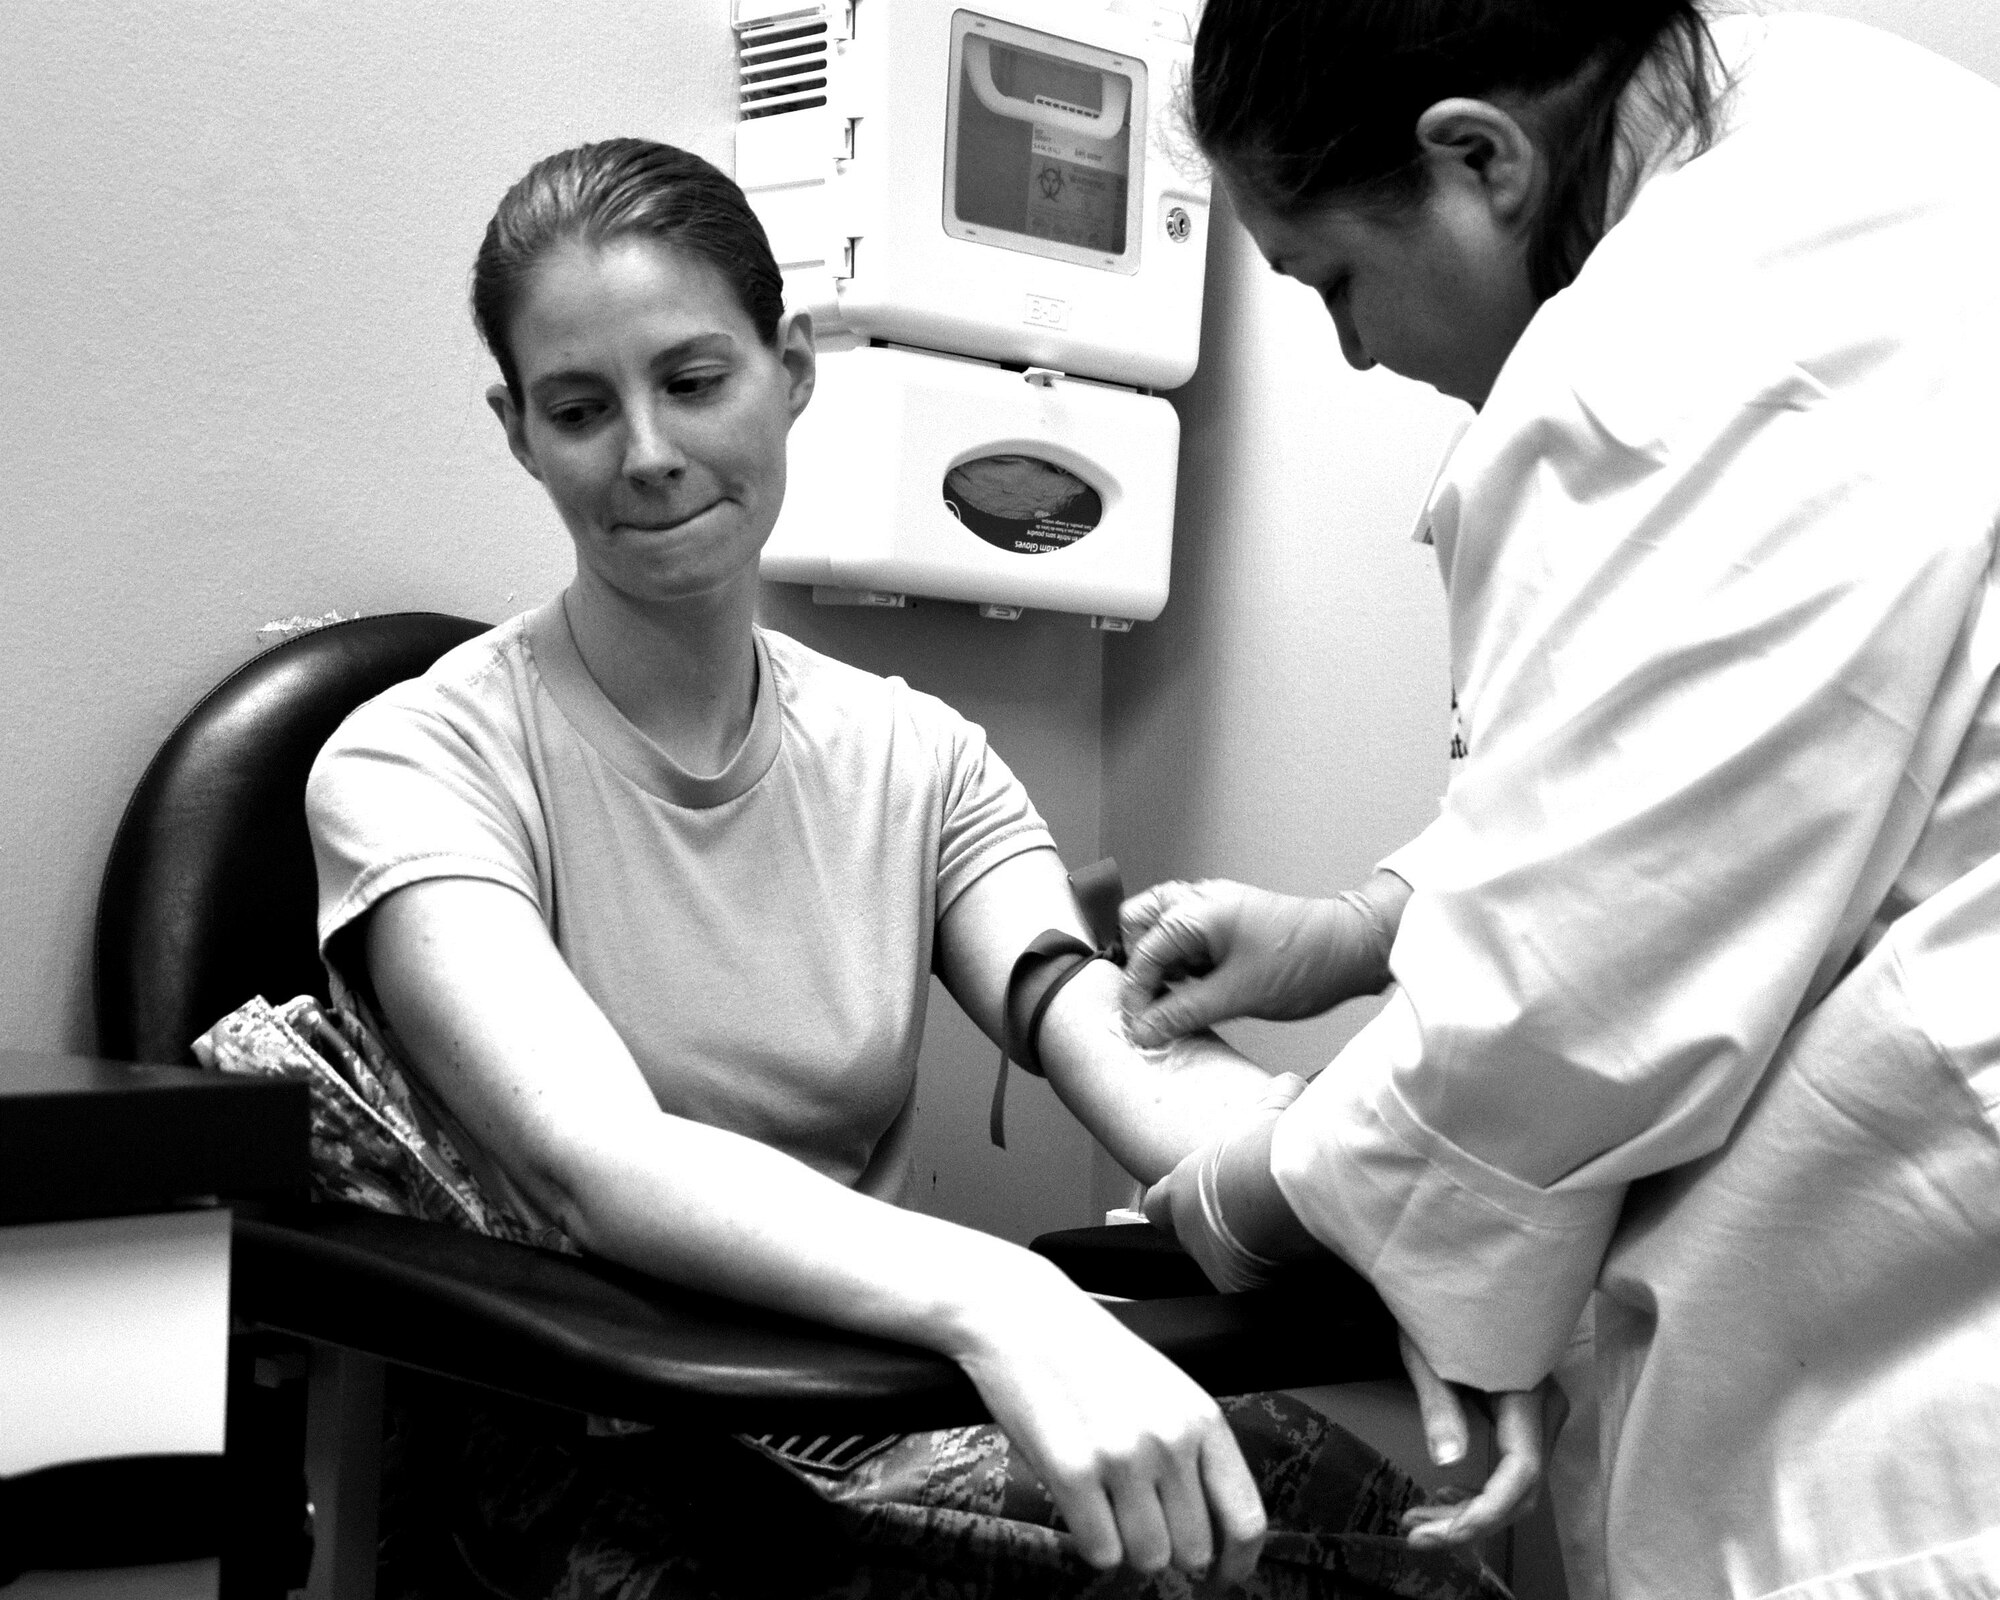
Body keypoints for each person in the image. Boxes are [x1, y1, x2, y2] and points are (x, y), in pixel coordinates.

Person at [303, 138, 1505, 1599]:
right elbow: (596, 1165)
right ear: (517, 430)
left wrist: (1388, 1199)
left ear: (790, 367)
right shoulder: (411, 765)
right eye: (578, 408)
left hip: (868, 1408)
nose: (648, 453)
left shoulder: (916, 757)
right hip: (609, 1451)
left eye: (694, 380)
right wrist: (998, 1297)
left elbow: (1100, 1032)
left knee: (1411, 1560)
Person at [1128, 4, 2000, 1598]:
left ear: (1479, 159)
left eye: (1332, 278)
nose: (1355, 349)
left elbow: (1580, 982)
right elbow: (1758, 741)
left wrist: (1239, 1198)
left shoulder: (1678, 345)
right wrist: (1360, 930)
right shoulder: (1877, 132)